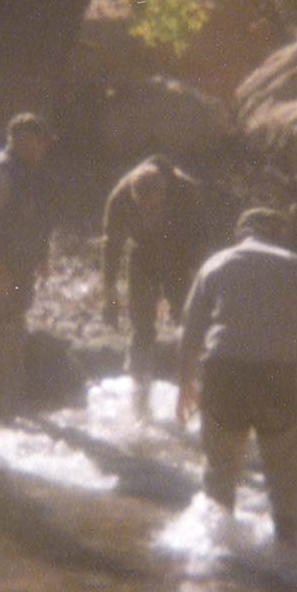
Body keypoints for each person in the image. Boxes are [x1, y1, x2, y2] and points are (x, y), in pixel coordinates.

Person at [178, 207, 297, 556]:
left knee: (220, 472)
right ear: (278, 234)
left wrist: (185, 384)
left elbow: (191, 334)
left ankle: (213, 564)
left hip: (223, 378)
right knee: (287, 478)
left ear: (240, 234)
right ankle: (289, 559)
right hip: (278, 380)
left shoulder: (215, 264)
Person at [102, 154, 207, 418]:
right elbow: (112, 243)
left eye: (153, 206)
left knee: (190, 321)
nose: (148, 211)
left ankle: (199, 390)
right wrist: (109, 289)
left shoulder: (187, 190)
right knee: (141, 327)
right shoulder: (121, 196)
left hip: (180, 256)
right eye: (142, 206)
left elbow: (201, 236)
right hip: (142, 256)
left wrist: (198, 271)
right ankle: (140, 400)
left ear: (164, 192)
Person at [0, 112, 56, 411]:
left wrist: (42, 255)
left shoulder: (31, 170)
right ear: (23, 141)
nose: (44, 148)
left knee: (16, 322)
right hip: (1, 266)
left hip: (22, 263)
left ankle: (12, 393)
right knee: (0, 327)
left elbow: (39, 218)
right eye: (40, 142)